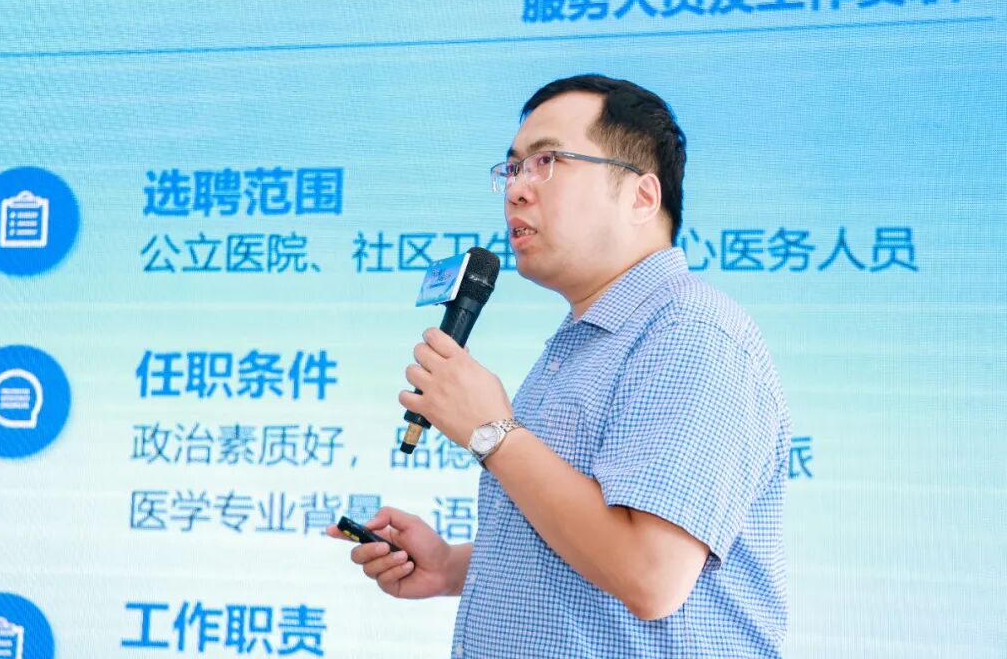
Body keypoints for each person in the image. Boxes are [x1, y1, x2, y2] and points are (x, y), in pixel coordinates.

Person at [327, 74, 791, 658]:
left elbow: (651, 574)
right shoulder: (586, 339)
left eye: (547, 162)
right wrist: (449, 566)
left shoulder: (692, 334)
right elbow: (582, 544)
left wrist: (492, 433)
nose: (516, 190)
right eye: (512, 168)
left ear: (642, 197)